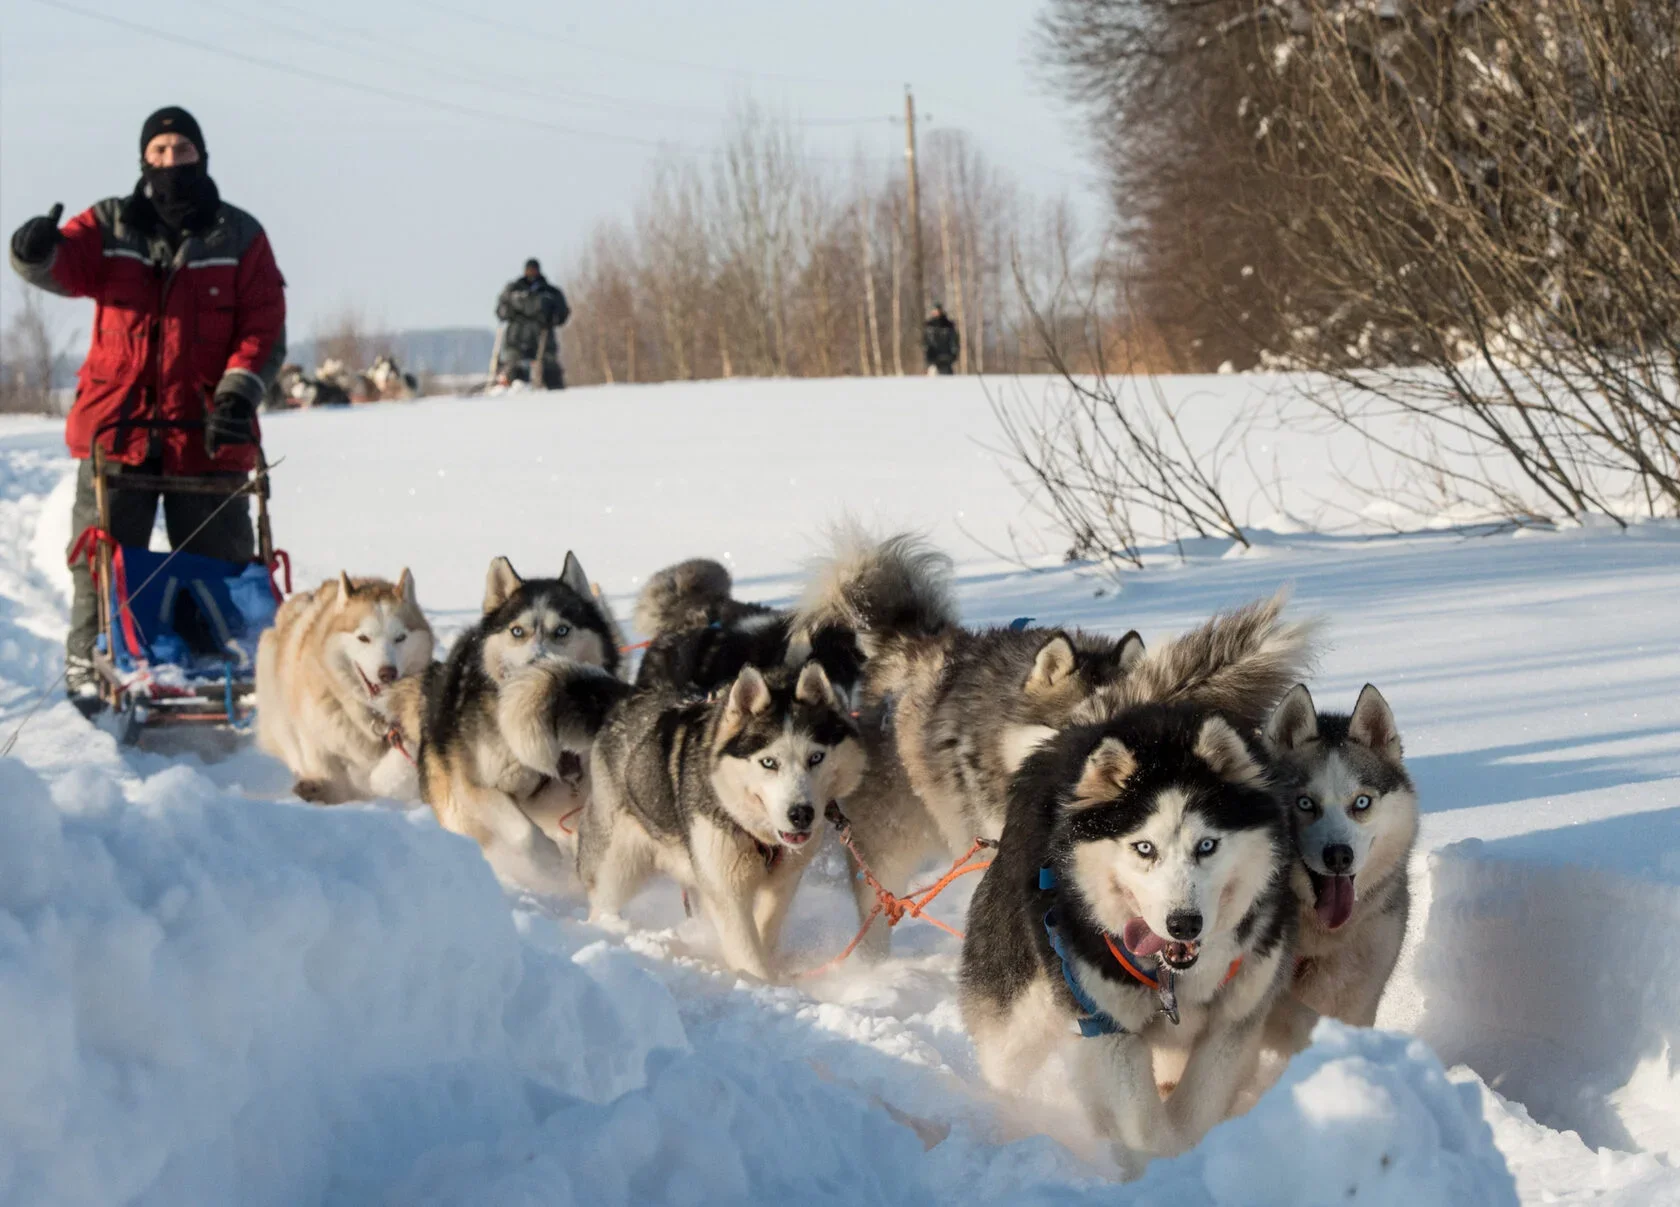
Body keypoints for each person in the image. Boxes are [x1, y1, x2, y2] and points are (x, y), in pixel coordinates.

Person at [9, 106, 287, 715]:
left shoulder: (240, 236)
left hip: (209, 434)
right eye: (158, 151)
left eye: (181, 150)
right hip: (120, 434)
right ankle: (89, 675)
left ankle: (238, 676)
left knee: (225, 568)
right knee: (101, 561)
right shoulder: (110, 224)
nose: (169, 162)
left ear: (202, 156)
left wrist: (238, 392)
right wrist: (33, 251)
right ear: (143, 160)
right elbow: (62, 263)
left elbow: (264, 324)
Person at [496, 258, 569, 389]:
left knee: (550, 370)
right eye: (529, 270)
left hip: (542, 339)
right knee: (511, 369)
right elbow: (501, 311)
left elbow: (562, 313)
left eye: (533, 269)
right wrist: (508, 311)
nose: (531, 272)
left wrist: (553, 317)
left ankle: (556, 397)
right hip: (516, 340)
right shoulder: (513, 291)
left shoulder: (549, 292)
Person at [924, 303, 960, 375]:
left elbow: (954, 341)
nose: (936, 313)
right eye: (934, 311)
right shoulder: (929, 325)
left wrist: (954, 354)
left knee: (947, 381)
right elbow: (926, 343)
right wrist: (927, 355)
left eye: (937, 310)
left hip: (946, 358)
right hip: (933, 359)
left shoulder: (948, 325)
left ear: (941, 311)